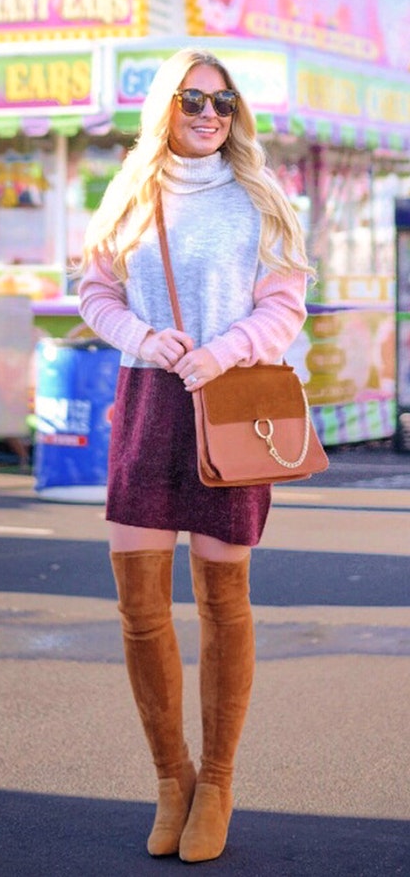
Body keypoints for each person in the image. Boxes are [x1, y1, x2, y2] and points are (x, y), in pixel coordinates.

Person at [78, 47, 312, 864]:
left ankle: (217, 781)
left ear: (236, 112)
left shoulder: (260, 199)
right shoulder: (132, 194)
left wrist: (227, 350)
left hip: (231, 406)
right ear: (164, 110)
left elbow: (286, 306)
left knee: (223, 606)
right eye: (191, 99)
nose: (209, 113)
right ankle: (171, 779)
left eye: (222, 101)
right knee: (141, 613)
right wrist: (142, 334)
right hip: (147, 404)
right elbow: (95, 293)